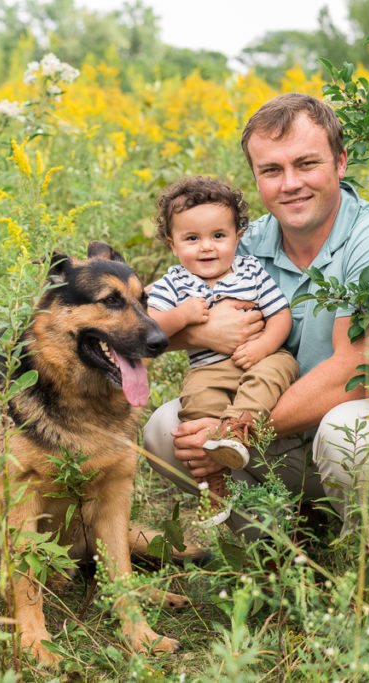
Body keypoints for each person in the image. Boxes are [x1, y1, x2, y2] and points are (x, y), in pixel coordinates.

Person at [143, 93, 369, 539]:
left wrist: (234, 429)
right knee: (166, 429)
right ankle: (275, 549)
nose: (290, 183)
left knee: (345, 433)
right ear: (256, 178)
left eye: (306, 164)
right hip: (279, 435)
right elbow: (139, 325)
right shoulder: (241, 243)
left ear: (340, 162)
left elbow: (358, 369)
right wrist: (204, 329)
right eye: (271, 170)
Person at [146, 176, 299, 526]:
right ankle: (213, 485)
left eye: (218, 236)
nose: (206, 248)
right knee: (196, 403)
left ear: (237, 236)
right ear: (172, 244)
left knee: (276, 370)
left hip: (262, 358)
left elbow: (280, 315)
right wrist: (182, 316)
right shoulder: (174, 283)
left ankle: (235, 430)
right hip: (210, 370)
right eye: (191, 238)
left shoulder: (251, 270)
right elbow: (152, 329)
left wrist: (263, 346)